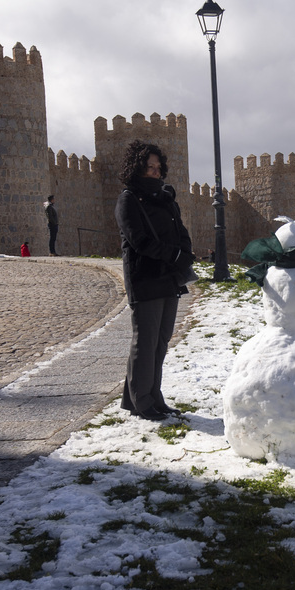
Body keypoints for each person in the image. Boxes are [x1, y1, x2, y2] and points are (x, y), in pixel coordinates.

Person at [115, 140, 194, 421]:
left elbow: (180, 230)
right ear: (137, 168)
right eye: (149, 167)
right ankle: (141, 401)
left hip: (169, 278)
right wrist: (172, 255)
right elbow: (138, 240)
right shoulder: (128, 199)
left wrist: (185, 252)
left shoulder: (165, 198)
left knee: (160, 341)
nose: (155, 172)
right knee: (145, 342)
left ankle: (151, 395)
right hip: (145, 278)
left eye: (158, 167)